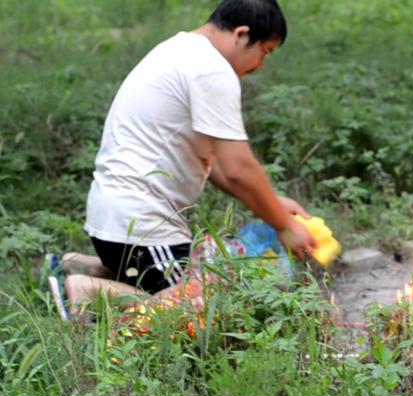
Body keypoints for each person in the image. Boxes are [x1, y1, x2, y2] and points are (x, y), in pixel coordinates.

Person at [51, 0, 317, 319]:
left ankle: (80, 265)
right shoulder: (212, 69)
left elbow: (217, 164)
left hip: (115, 221)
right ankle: (89, 292)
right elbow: (237, 168)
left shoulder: (178, 49)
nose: (261, 64)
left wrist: (271, 201)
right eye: (266, 51)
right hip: (142, 227)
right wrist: (285, 224)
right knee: (204, 305)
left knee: (187, 277)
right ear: (242, 34)